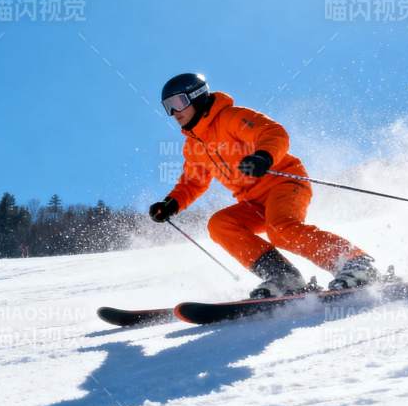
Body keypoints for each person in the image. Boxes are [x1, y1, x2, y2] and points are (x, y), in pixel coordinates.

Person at [148, 73, 377, 297]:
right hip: (252, 201)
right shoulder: (193, 146)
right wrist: (171, 204)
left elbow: (273, 132)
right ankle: (283, 277)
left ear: (197, 96)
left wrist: (263, 156)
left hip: (284, 182)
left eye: (178, 102)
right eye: (167, 106)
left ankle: (355, 263)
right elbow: (193, 182)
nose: (174, 112)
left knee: (280, 229)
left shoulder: (230, 117)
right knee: (220, 224)